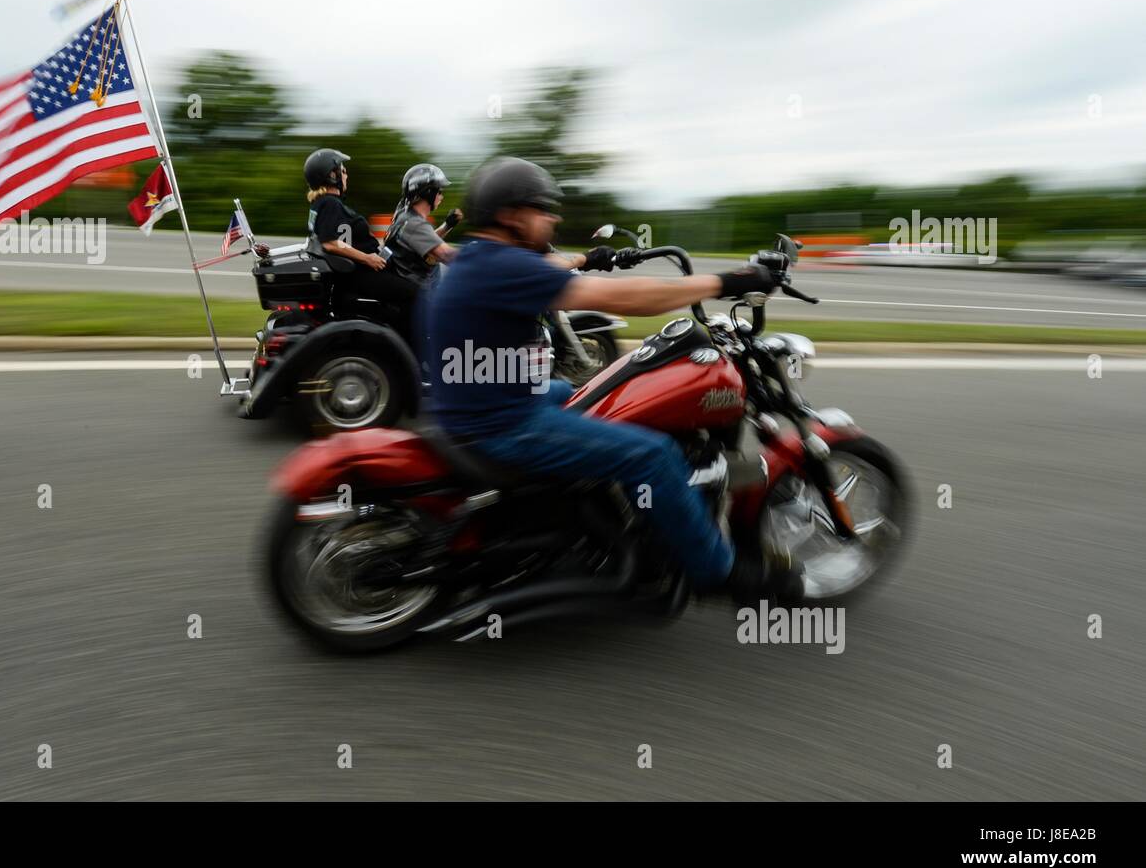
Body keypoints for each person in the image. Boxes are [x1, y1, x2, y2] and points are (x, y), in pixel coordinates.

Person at [424, 156, 799, 602]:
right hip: (502, 422)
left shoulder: (482, 258)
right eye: (543, 209)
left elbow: (552, 267)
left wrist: (599, 258)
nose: (554, 216)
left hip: (490, 399)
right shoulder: (506, 268)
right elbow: (630, 300)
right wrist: (725, 281)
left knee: (595, 392)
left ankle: (604, 511)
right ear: (512, 217)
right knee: (653, 455)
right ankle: (720, 573)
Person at [264, 148, 421, 348]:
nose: (346, 175)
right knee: (416, 294)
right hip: (360, 275)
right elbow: (330, 242)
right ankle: (411, 352)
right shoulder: (330, 204)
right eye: (343, 170)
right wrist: (367, 258)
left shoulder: (320, 204)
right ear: (331, 175)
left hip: (354, 275)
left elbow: (340, 238)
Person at [384, 163, 463, 288]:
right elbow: (446, 255)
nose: (442, 197)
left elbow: (425, 242)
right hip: (423, 295)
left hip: (415, 287)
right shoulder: (414, 224)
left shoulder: (404, 215)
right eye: (440, 191)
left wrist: (447, 225)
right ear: (428, 192)